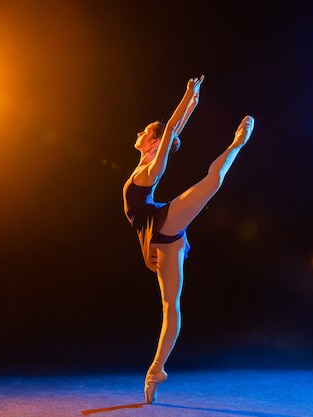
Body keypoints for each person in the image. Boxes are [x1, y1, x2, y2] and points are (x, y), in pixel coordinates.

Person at [122, 75, 255, 404]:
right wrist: (191, 104)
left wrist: (186, 95)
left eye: (145, 132)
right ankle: (155, 372)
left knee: (212, 182)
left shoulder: (151, 169)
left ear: (152, 142)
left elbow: (169, 132)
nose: (139, 133)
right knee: (170, 307)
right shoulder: (144, 164)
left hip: (162, 222)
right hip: (165, 238)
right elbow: (173, 131)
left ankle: (237, 143)